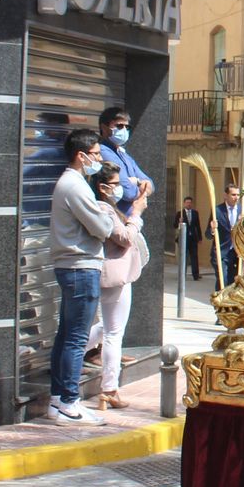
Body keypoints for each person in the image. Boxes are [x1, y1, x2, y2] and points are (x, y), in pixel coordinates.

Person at [47, 129, 115, 426]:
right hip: (81, 267)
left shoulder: (73, 184)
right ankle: (70, 403)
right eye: (97, 154)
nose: (99, 159)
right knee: (76, 339)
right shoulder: (75, 186)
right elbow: (102, 228)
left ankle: (58, 399)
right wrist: (106, 210)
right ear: (82, 155)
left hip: (73, 267)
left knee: (66, 335)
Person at [86, 163, 146, 410]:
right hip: (115, 275)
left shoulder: (106, 208)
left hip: (117, 274)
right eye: (116, 184)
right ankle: (109, 388)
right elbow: (124, 238)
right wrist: (136, 214)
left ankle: (69, 352)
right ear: (102, 187)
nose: (120, 189)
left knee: (107, 328)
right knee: (113, 333)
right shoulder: (103, 210)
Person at [96, 107, 153, 218]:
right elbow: (127, 192)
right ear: (104, 127)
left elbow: (151, 184)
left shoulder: (123, 154)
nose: (124, 130)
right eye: (119, 126)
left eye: (127, 127)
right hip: (115, 220)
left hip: (131, 220)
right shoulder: (103, 152)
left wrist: (135, 182)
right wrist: (139, 183)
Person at [214, 182, 243, 288]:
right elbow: (208, 234)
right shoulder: (217, 211)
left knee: (234, 282)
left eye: (238, 195)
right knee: (223, 280)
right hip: (222, 252)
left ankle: (230, 304)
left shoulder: (242, 210)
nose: (236, 197)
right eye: (233, 195)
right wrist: (213, 229)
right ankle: (220, 303)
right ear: (226, 196)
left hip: (237, 253)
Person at [175, 197, 204, 281]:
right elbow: (174, 225)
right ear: (184, 203)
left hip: (193, 238)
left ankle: (196, 275)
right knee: (184, 256)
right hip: (184, 238)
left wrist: (200, 237)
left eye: (190, 202)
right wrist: (179, 222)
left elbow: (197, 226)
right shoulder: (180, 213)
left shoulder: (195, 213)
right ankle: (182, 275)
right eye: (187, 202)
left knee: (194, 256)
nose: (189, 204)